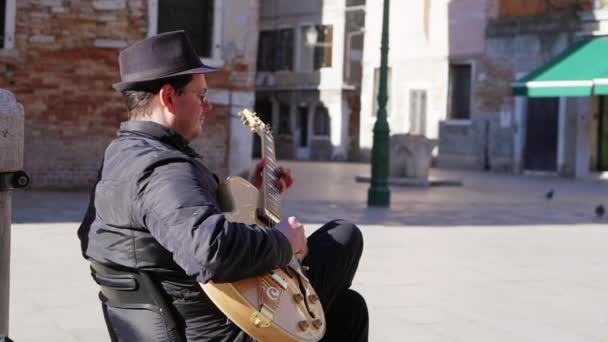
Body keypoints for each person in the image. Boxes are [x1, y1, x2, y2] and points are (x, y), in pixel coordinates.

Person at [77, 30, 368, 342]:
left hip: (174, 324)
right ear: (169, 97)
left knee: (346, 310)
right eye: (201, 96)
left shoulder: (121, 155)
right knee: (344, 237)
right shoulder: (165, 169)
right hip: (219, 331)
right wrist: (283, 242)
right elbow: (209, 250)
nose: (209, 106)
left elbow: (155, 227)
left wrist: (254, 194)